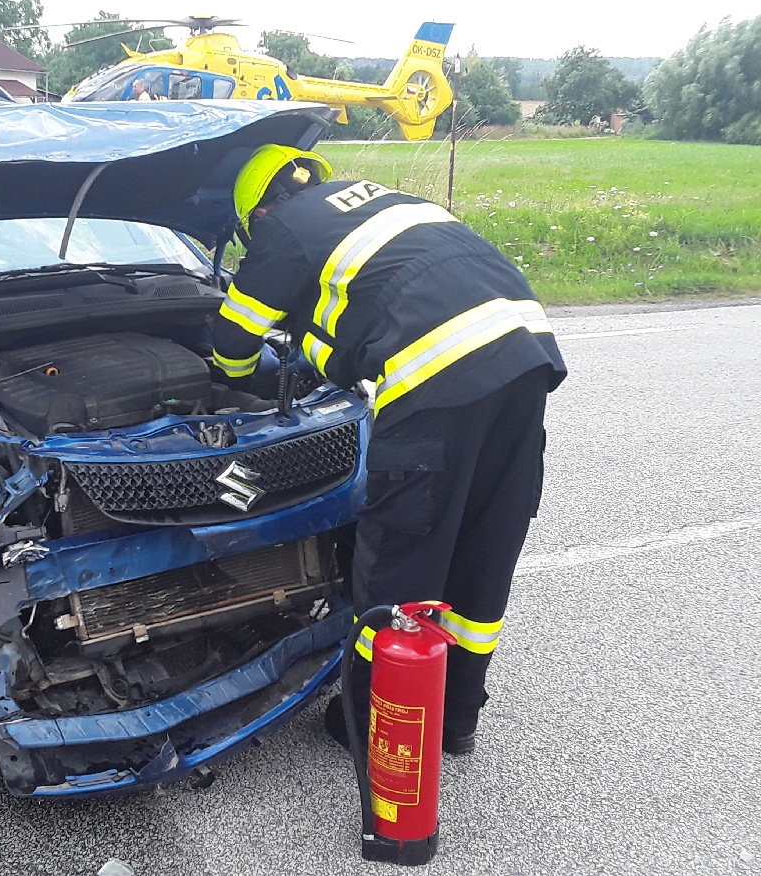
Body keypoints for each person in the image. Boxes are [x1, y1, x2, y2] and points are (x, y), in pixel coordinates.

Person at [211, 144, 567, 754]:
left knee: (403, 555)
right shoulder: (376, 202)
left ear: (258, 214)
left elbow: (231, 342)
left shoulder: (286, 230)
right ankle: (454, 721)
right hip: (525, 358)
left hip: (438, 378)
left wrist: (244, 380)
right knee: (483, 546)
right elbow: (366, 318)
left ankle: (371, 722)